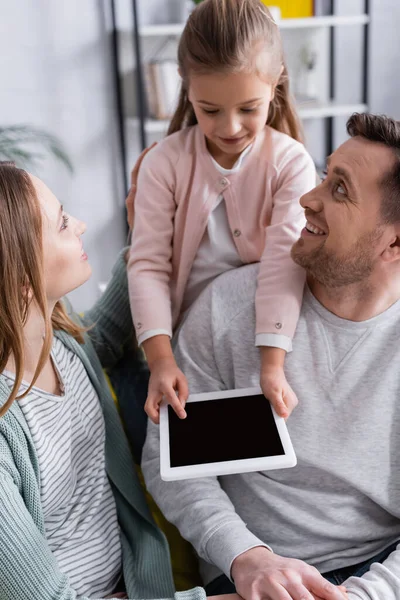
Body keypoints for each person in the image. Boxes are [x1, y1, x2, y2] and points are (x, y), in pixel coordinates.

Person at [142, 112, 400, 600]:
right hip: (247, 567)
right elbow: (168, 462)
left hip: (378, 569)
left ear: (396, 242)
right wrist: (245, 555)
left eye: (340, 190)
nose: (307, 198)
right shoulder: (230, 307)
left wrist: (363, 596)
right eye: (326, 175)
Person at [0, 161, 237, 600]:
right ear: (22, 279)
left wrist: (147, 231)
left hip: (140, 579)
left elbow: (102, 338)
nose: (82, 225)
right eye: (63, 223)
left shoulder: (62, 341)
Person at [128, 0, 316, 424]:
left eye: (248, 108)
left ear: (275, 84)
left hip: (270, 338)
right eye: (210, 110)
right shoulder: (164, 163)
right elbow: (147, 266)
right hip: (183, 348)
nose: (229, 127)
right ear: (186, 85)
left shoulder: (291, 163)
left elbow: (285, 264)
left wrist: (271, 363)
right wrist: (160, 360)